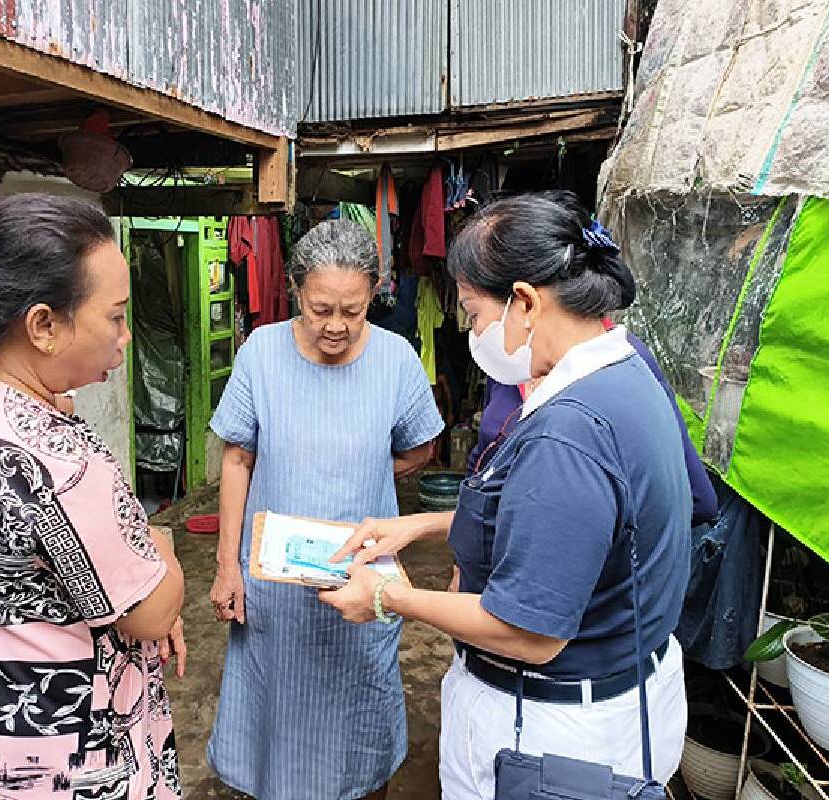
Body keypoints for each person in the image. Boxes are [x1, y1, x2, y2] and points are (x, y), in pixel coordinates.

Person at [320, 191, 691, 798]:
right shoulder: (623, 372)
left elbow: (530, 632)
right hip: (618, 695)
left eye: (471, 313)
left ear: (524, 301)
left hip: (552, 734)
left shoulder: (570, 430)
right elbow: (567, 521)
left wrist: (390, 597)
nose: (473, 331)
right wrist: (422, 526)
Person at [0, 194, 186, 800]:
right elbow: (152, 612)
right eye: (117, 316)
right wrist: (161, 543)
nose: (126, 338)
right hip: (60, 760)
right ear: (44, 325)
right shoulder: (57, 461)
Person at [206, 219, 445, 800]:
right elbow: (237, 459)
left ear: (372, 297)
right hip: (273, 583)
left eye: (352, 311)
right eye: (320, 309)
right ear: (295, 291)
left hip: (360, 577)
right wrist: (226, 564)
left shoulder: (394, 358)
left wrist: (362, 469)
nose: (335, 326)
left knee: (358, 709)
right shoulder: (261, 352)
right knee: (278, 711)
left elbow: (421, 445)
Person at [470, 341, 718, 527]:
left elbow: (699, 500)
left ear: (527, 302)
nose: (478, 333)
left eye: (474, 313)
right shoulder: (508, 361)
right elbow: (483, 458)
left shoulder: (618, 367)